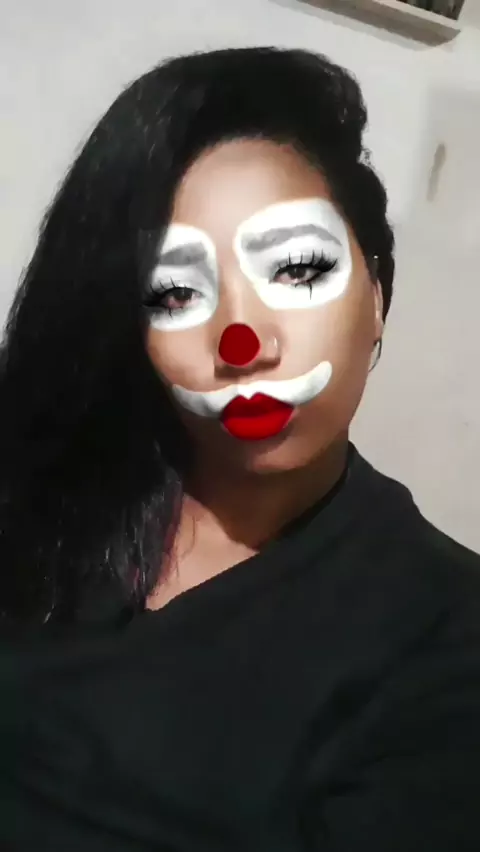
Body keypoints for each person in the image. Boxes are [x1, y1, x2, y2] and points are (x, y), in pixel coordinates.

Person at [0, 45, 479, 851]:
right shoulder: (42, 484)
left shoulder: (446, 633)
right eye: (175, 291)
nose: (241, 340)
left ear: (377, 296)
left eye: (296, 268)